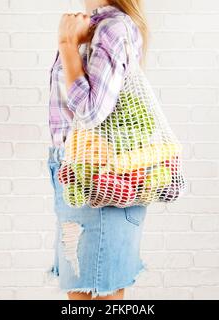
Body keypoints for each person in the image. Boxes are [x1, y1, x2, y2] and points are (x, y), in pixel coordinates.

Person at [47, 0, 149, 300]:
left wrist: (67, 43)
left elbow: (90, 112)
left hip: (97, 176)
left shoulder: (112, 28)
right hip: (80, 172)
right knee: (80, 293)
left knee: (100, 295)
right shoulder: (94, 26)